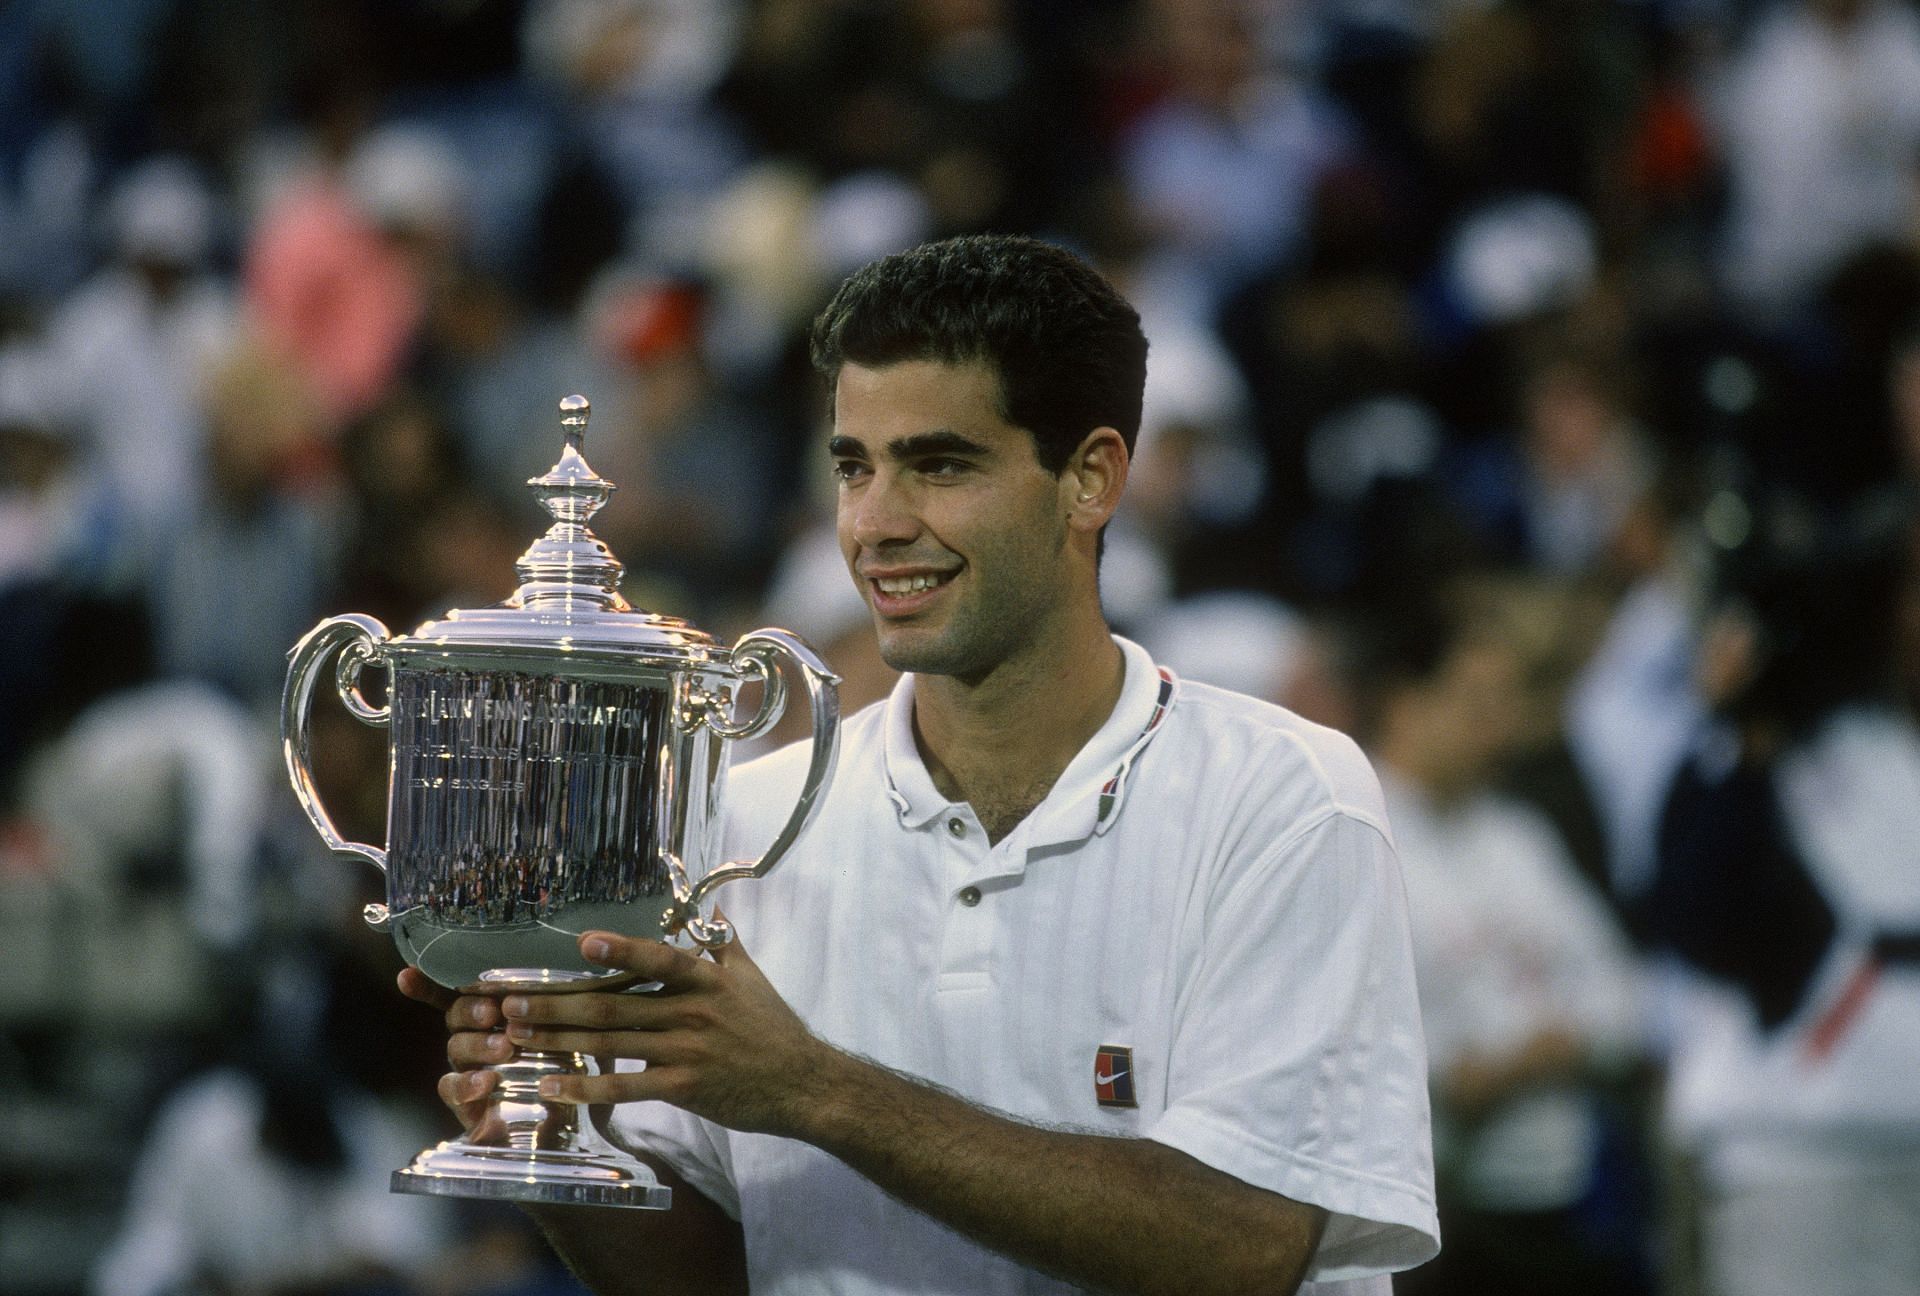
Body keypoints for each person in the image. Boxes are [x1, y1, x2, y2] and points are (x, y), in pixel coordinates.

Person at [402, 234, 1438, 1295]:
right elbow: (713, 1278)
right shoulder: (739, 823)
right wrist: (559, 1139)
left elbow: (1244, 1246)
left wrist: (815, 1090)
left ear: (1091, 478)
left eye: (941, 465)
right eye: (855, 466)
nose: (877, 525)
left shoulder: (1285, 799)